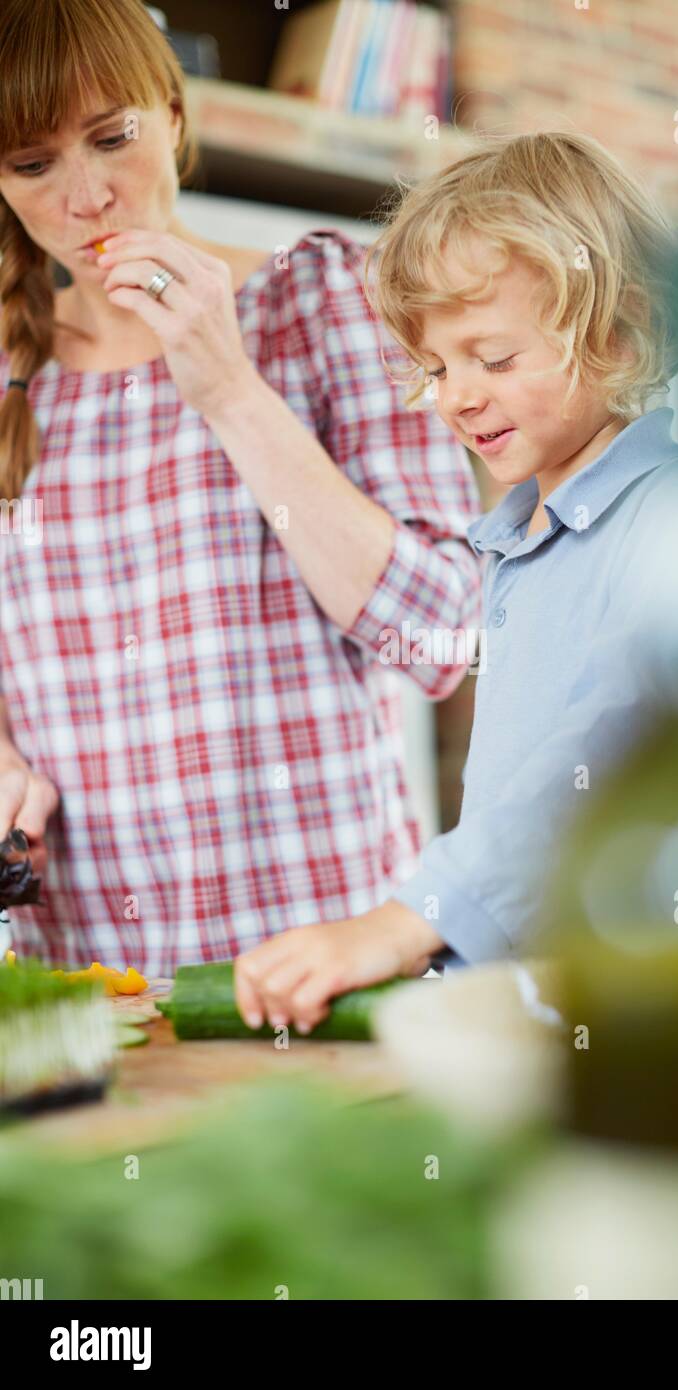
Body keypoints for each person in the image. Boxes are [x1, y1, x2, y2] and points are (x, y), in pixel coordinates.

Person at [0, 0, 482, 975]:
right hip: (97, 993)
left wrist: (225, 385)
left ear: (172, 117)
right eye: (33, 163)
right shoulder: (10, 375)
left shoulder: (331, 300)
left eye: (110, 136)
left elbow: (442, 636)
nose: (87, 196)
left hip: (326, 969)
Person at [233, 130, 678, 1033]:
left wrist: (412, 919)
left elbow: (607, 755)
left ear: (619, 329)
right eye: (438, 368)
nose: (456, 396)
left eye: (493, 358)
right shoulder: (516, 541)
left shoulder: (669, 517)